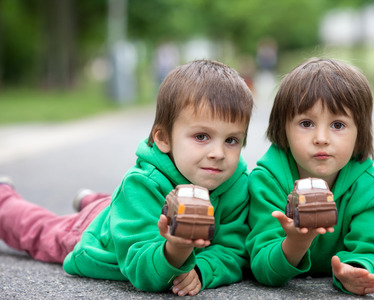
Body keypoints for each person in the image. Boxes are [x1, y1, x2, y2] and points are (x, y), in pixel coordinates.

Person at [0, 59, 254, 296]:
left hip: (128, 210)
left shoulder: (237, 184)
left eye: (231, 140)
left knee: (119, 205)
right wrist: (175, 250)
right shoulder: (142, 183)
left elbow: (234, 249)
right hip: (99, 231)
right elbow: (140, 269)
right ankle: (5, 201)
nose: (218, 153)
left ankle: (93, 199)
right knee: (41, 231)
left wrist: (202, 270)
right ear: (164, 139)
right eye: (201, 137)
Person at [245, 57, 374, 295]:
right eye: (306, 123)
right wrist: (295, 243)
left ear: (360, 132)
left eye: (338, 125)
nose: (321, 138)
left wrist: (356, 270)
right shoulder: (267, 181)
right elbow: (263, 269)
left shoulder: (369, 191)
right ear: (282, 128)